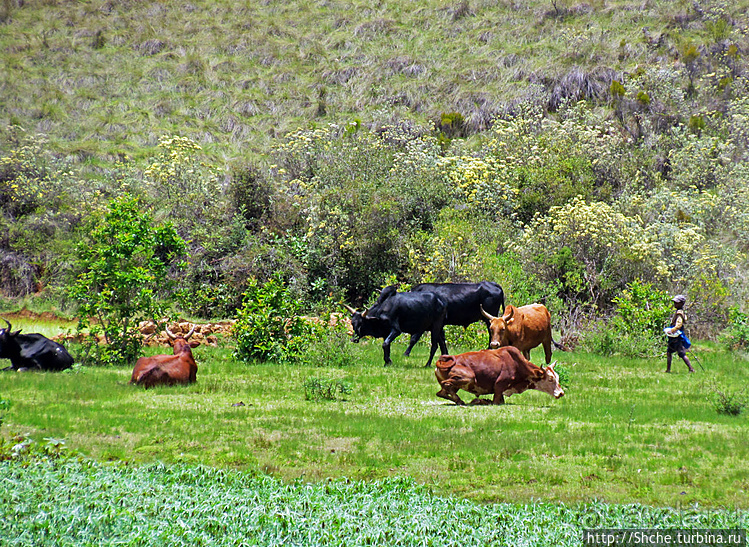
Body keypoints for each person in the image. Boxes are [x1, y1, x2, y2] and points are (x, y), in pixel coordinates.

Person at [665, 294, 694, 373]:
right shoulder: (679, 312)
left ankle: (691, 369)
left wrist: (672, 330)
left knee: (681, 353)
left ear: (681, 303)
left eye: (676, 302)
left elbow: (678, 325)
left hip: (677, 337)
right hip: (675, 336)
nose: (675, 304)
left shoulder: (679, 314)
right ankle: (668, 370)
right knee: (669, 352)